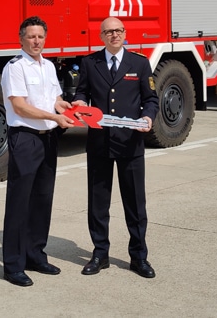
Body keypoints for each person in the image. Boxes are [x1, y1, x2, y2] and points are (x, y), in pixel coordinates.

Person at [72, 16, 159, 279]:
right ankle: (100, 254)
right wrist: (78, 105)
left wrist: (148, 118)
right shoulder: (90, 63)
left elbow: (151, 99)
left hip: (130, 145)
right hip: (99, 144)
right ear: (101, 36)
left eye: (118, 30)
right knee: (98, 203)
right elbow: (81, 93)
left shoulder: (140, 64)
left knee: (135, 204)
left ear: (124, 33)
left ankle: (139, 257)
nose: (114, 35)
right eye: (108, 32)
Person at [0, 16, 75, 287]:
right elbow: (19, 107)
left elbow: (54, 99)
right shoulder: (15, 67)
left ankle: (35, 255)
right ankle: (13, 265)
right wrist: (54, 118)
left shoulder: (49, 66)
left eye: (40, 36)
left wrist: (63, 107)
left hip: (48, 139)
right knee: (20, 202)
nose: (36, 41)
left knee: (43, 199)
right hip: (25, 139)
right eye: (31, 36)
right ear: (21, 37)